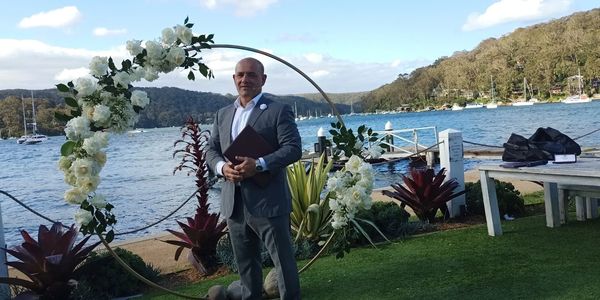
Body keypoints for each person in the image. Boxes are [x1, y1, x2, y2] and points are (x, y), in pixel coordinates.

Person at [206, 57, 302, 300]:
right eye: (240, 75)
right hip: (234, 203)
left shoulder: (278, 110)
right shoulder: (223, 114)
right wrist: (221, 168)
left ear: (263, 79)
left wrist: (258, 165)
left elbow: (293, 148)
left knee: (283, 263)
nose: (244, 79)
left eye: (251, 74)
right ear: (234, 79)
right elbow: (211, 150)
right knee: (246, 265)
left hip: (268, 202)